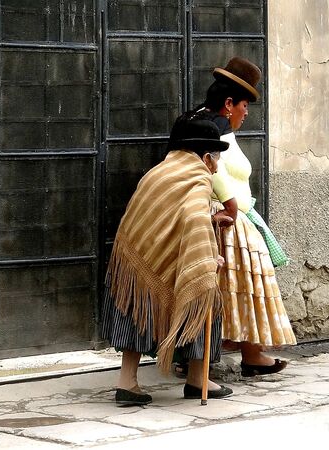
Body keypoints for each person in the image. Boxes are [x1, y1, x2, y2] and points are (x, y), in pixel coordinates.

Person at [102, 113, 233, 406]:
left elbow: (166, 218)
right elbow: (191, 218)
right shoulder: (197, 179)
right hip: (165, 256)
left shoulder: (159, 172)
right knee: (203, 293)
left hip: (136, 256)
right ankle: (198, 379)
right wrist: (209, 257)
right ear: (206, 157)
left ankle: (127, 381)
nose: (216, 166)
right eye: (216, 159)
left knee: (136, 307)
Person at [188, 57, 297, 377]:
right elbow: (209, 164)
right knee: (222, 289)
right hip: (223, 218)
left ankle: (251, 353)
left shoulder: (216, 123)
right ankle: (201, 360)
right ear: (228, 102)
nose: (247, 112)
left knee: (242, 289)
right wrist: (231, 207)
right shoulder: (212, 125)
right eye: (244, 104)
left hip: (237, 217)